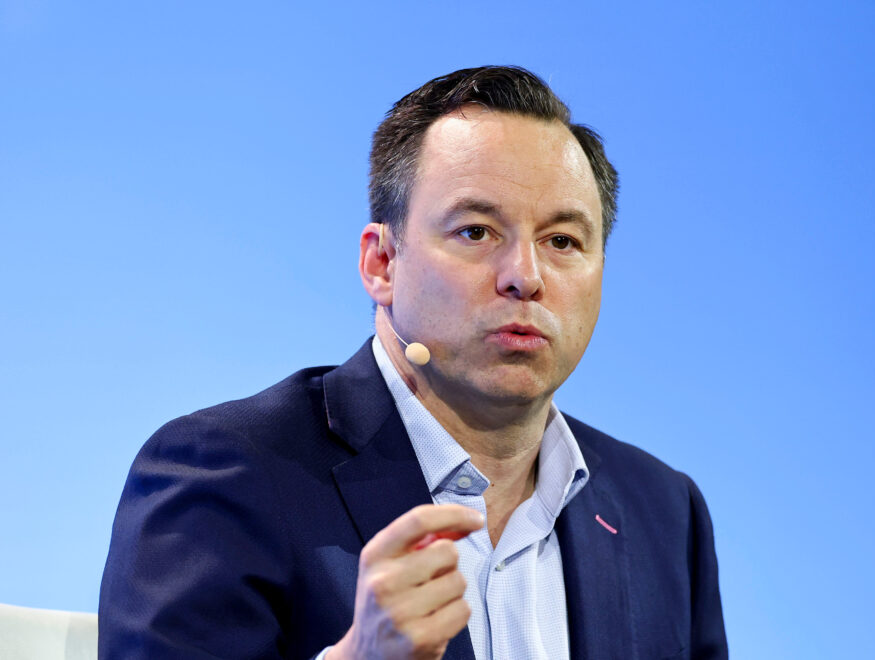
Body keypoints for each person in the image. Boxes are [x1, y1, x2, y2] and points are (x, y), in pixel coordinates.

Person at [99, 65, 728, 660]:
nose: (525, 276)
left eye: (562, 241)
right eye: (476, 231)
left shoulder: (664, 512)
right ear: (382, 262)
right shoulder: (227, 473)